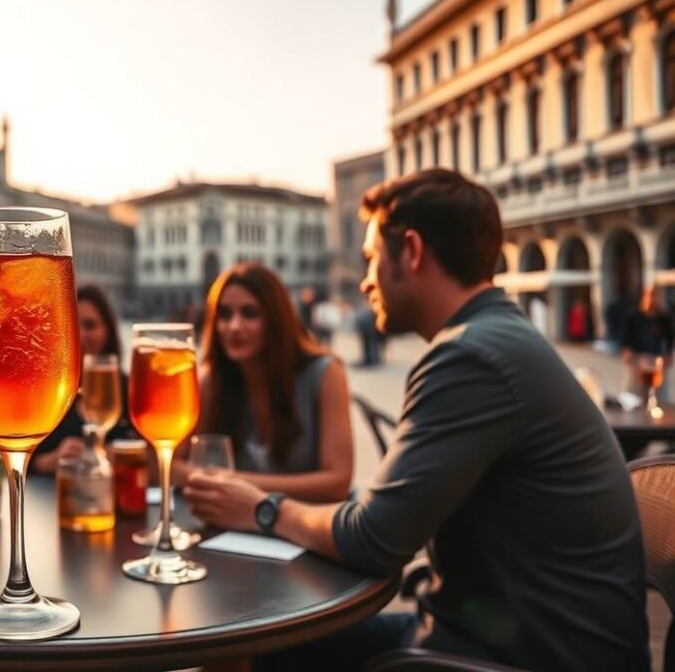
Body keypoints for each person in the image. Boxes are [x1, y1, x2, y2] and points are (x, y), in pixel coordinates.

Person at [185, 169, 648, 671]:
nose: (365, 281)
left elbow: (372, 541)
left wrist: (264, 509)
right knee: (249, 647)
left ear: (411, 251)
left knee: (242, 652)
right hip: (517, 637)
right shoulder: (495, 336)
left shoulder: (470, 356)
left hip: (513, 657)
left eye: (370, 259)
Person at [178, 264, 352, 505]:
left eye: (250, 313)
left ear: (276, 318)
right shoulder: (212, 380)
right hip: (232, 534)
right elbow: (170, 466)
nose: (234, 327)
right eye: (225, 315)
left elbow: (337, 484)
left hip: (309, 532)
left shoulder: (325, 374)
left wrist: (236, 485)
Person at [32, 285, 136, 475]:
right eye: (71, 325)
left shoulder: (129, 390)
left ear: (108, 331)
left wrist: (120, 456)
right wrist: (53, 460)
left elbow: (149, 458)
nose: (80, 335)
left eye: (90, 325)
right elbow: (22, 458)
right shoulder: (49, 393)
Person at [619, 285, 673, 395]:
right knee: (635, 391)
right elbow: (626, 336)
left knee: (659, 392)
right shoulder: (633, 317)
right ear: (644, 297)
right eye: (650, 296)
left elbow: (670, 337)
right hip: (638, 358)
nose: (653, 300)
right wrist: (627, 351)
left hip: (656, 359)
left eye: (656, 296)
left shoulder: (663, 318)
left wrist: (669, 355)